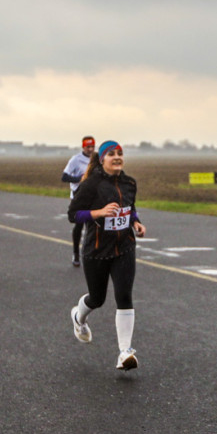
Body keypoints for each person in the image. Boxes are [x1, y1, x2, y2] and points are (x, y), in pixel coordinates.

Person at [67, 140, 147, 370]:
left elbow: (129, 208)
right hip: (97, 251)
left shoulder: (130, 183)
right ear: (102, 159)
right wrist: (99, 212)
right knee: (97, 298)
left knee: (124, 296)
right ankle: (78, 317)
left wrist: (136, 222)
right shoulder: (91, 184)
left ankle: (125, 352)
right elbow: (73, 215)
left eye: (120, 153)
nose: (117, 157)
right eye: (111, 154)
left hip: (124, 248)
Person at [62, 135, 97, 266]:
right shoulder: (75, 160)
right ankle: (76, 253)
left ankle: (91, 253)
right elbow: (64, 177)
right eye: (88, 147)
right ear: (83, 147)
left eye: (92, 146)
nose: (90, 149)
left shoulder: (97, 159)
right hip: (79, 196)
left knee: (93, 225)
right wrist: (79, 179)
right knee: (79, 225)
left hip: (93, 196)